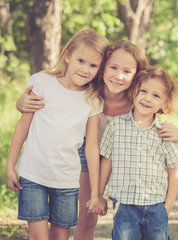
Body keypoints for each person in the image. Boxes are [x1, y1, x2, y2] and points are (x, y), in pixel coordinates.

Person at [16, 40, 178, 239]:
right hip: (87, 150)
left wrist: (176, 134)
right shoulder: (89, 91)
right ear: (103, 68)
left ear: (137, 75)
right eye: (113, 67)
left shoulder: (137, 99)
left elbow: (153, 121)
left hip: (122, 157)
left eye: (127, 71)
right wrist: (21, 103)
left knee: (89, 219)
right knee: (86, 213)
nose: (118, 76)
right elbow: (57, 94)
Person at [6, 28, 108, 240]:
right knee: (39, 237)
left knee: (60, 237)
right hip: (33, 175)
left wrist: (96, 193)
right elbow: (22, 126)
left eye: (93, 65)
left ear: (99, 69)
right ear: (68, 55)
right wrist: (10, 167)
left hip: (67, 180)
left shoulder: (93, 100)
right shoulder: (42, 83)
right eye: (81, 60)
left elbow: (91, 147)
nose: (85, 69)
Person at [99, 66, 178, 240]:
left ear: (164, 103)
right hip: (125, 204)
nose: (147, 98)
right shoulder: (116, 126)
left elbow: (174, 169)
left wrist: (167, 206)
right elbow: (106, 161)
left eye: (156, 95)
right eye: (143, 91)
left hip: (155, 205)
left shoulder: (163, 132)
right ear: (134, 92)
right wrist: (98, 195)